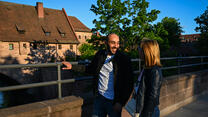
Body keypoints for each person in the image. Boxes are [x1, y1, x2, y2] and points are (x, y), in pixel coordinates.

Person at [62, 33, 134, 117]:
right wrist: (72, 66)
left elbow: (129, 83)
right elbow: (90, 69)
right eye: (113, 43)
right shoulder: (100, 55)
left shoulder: (123, 59)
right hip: (99, 98)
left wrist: (121, 102)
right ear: (106, 43)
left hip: (114, 101)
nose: (116, 46)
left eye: (118, 43)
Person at [135, 39, 163, 117]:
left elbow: (152, 97)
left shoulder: (154, 71)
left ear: (146, 51)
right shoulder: (146, 68)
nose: (138, 51)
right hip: (143, 109)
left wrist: (145, 114)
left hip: (149, 112)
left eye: (139, 49)